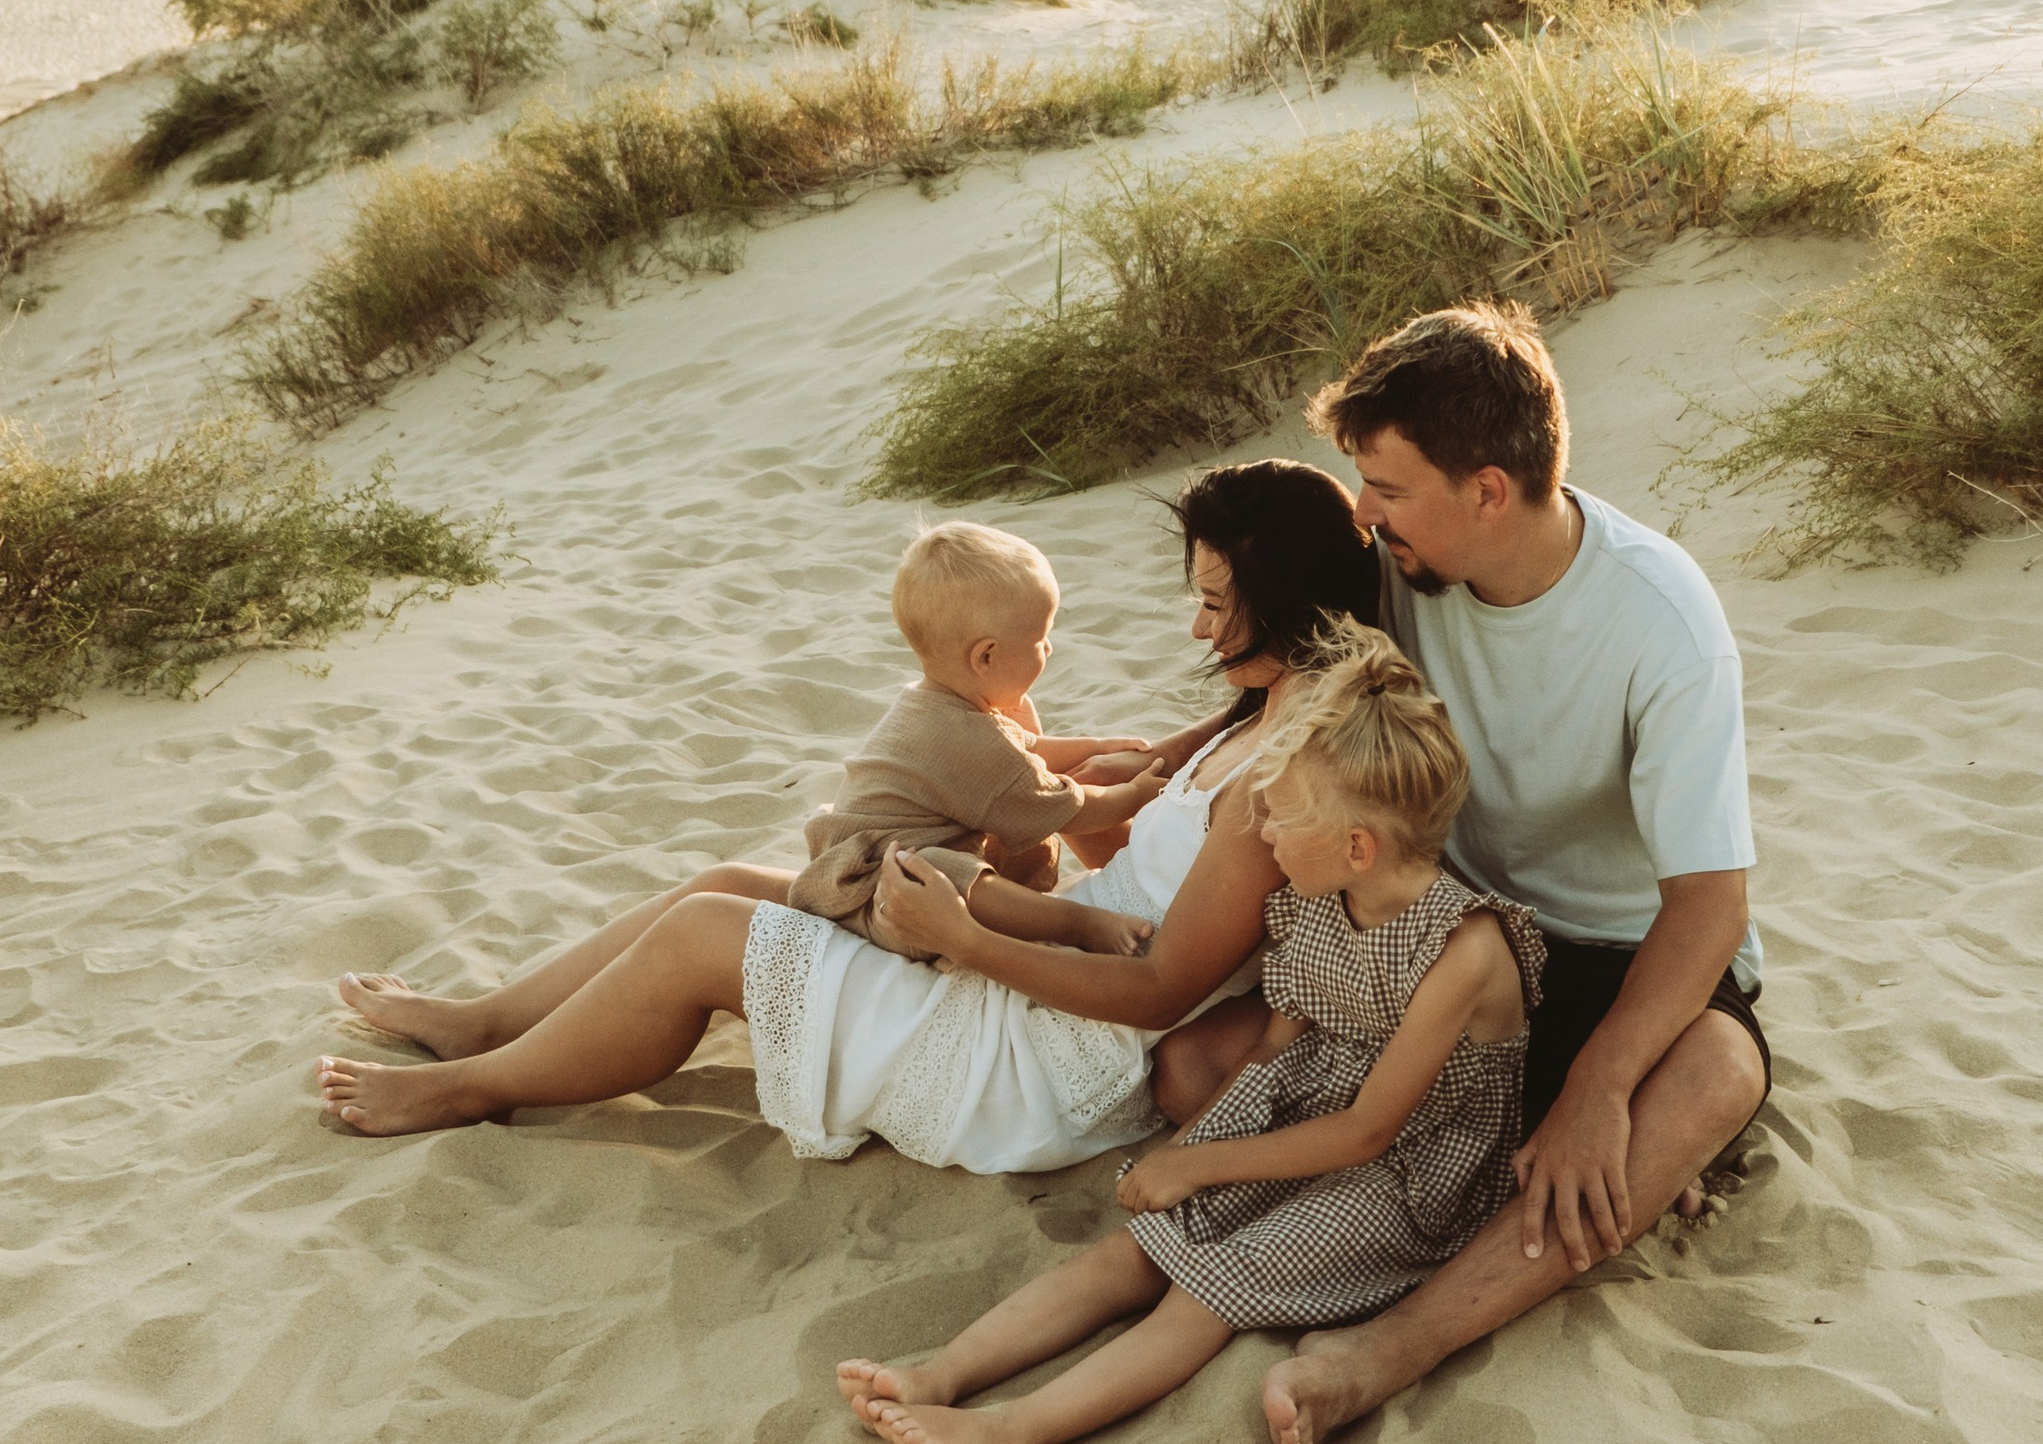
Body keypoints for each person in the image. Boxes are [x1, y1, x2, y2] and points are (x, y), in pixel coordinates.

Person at [316, 460, 1382, 1169]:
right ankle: (488, 1022)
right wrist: (1076, 788)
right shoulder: (1243, 721)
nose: (1197, 630)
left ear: (1285, 600)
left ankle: (470, 1089)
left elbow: (1157, 991)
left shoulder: (1282, 784)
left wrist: (964, 932)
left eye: (1213, 602)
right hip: (1040, 959)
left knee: (704, 938)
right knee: (721, 887)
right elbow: (1118, 854)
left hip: (1052, 1053)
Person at [1164, 305, 1772, 1444]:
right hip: (1439, 931)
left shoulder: (1662, 623)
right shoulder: (1405, 568)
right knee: (1194, 1066)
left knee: (1714, 1075)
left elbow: (1709, 902)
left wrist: (1598, 1088)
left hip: (1612, 954)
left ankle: (1384, 1350)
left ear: (1488, 490)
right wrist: (1166, 755)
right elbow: (1297, 684)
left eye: (1385, 485)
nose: (1362, 512)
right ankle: (1564, 1165)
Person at [836, 624, 1540, 1444]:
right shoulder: (1322, 897)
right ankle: (940, 1375)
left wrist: (1203, 1169)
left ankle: (1011, 1430)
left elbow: (1367, 1132)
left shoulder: (1462, 950)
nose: (1261, 833)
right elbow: (1281, 1042)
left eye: (1277, 816)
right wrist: (1200, 1146)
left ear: (1358, 846)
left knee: (1207, 1286)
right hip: (1309, 1115)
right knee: (1135, 1249)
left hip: (1409, 1170)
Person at [782, 520, 1165, 944]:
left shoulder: (934, 702)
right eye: (1040, 639)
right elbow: (1064, 807)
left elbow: (1025, 750)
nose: (1050, 649)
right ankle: (1080, 924)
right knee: (948, 874)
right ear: (986, 656)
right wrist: (1135, 795)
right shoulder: (959, 734)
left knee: (950, 863)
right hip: (884, 896)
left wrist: (1096, 746)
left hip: (872, 870)